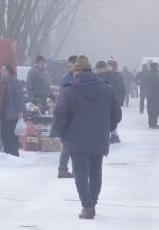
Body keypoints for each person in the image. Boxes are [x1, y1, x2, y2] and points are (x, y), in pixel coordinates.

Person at [51, 56, 121, 219]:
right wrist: (106, 129)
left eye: (74, 71)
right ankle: (92, 203)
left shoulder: (69, 90)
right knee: (96, 172)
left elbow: (60, 115)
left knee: (80, 173)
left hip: (76, 139)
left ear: (79, 71)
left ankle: (87, 206)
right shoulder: (107, 89)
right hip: (99, 138)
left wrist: (62, 134)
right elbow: (116, 115)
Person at [0, 64, 24, 156]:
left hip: (12, 112)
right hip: (3, 112)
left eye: (3, 70)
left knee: (12, 134)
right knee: (4, 133)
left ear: (8, 71)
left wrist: (20, 110)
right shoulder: (3, 81)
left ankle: (14, 153)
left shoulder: (15, 82)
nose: (1, 72)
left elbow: (19, 97)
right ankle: (7, 152)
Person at [56, 55, 78, 178]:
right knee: (68, 145)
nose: (75, 65)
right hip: (68, 115)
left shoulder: (77, 76)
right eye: (73, 63)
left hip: (76, 114)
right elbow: (63, 98)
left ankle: (74, 170)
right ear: (69, 64)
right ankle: (63, 169)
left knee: (74, 145)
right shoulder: (66, 79)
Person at [140, 63, 159, 128]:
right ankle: (154, 123)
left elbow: (144, 83)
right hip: (156, 94)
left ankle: (151, 123)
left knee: (150, 109)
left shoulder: (147, 75)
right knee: (156, 109)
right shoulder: (156, 75)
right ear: (156, 67)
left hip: (149, 94)